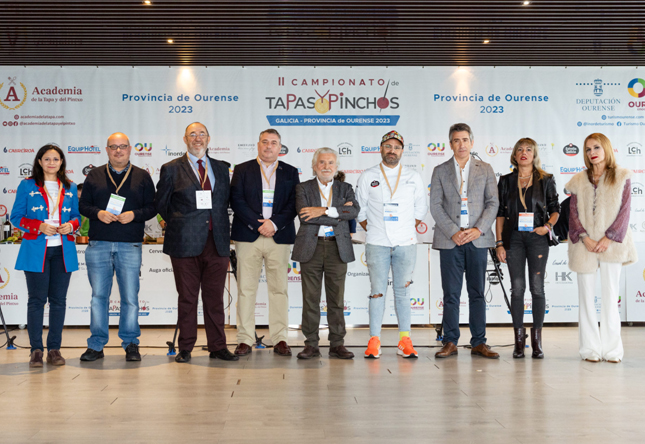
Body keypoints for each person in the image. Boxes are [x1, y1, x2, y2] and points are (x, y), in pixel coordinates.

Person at [156, 122, 238, 363]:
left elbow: (225, 202)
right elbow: (161, 202)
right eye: (193, 134)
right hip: (184, 242)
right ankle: (186, 348)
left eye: (202, 134)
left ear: (209, 138)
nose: (197, 138)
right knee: (188, 298)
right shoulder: (171, 168)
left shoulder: (222, 168)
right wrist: (180, 223)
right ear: (185, 139)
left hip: (218, 242)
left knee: (215, 299)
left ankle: (218, 346)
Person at [79, 132, 156, 362]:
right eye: (114, 147)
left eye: (122, 146)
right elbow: (83, 206)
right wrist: (98, 213)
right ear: (107, 149)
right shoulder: (94, 175)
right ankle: (96, 345)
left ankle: (131, 343)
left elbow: (153, 207)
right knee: (98, 297)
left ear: (130, 149)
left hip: (129, 244)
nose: (118, 151)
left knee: (130, 297)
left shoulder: (142, 176)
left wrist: (134, 214)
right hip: (99, 243)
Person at [355, 131, 428, 359]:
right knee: (377, 292)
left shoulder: (413, 176)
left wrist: (404, 228)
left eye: (396, 147)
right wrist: (375, 228)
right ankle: (374, 340)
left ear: (402, 151)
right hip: (377, 242)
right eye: (388, 146)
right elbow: (361, 209)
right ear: (381, 148)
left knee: (403, 293)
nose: (392, 150)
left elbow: (420, 209)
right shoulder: (368, 176)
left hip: (406, 243)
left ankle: (404, 340)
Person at [430, 123, 500, 359]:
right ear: (450, 144)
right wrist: (453, 231)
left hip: (477, 240)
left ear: (472, 142)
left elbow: (493, 203)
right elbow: (435, 205)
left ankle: (479, 342)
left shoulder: (486, 169)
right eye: (456, 140)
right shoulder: (440, 170)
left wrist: (478, 229)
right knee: (451, 294)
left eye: (465, 140)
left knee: (477, 292)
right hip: (451, 240)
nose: (461, 144)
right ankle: (450, 341)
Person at [567, 133, 637, 363]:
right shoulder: (578, 180)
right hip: (584, 245)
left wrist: (609, 238)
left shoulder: (622, 177)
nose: (592, 152)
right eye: (587, 149)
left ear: (606, 148)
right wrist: (585, 238)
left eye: (596, 147)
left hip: (612, 245)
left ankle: (612, 350)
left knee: (609, 297)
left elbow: (624, 212)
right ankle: (589, 349)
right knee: (585, 298)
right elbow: (573, 214)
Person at [230, 129, 299, 357]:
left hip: (278, 236)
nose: (269, 146)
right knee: (246, 289)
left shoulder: (290, 172)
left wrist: (274, 224)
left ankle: (280, 338)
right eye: (265, 142)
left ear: (280, 147)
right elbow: (236, 200)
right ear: (258, 145)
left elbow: (293, 204)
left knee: (279, 290)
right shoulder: (242, 169)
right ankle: (245, 339)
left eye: (274, 143)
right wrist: (258, 223)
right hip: (248, 235)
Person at [10, 144, 80, 367]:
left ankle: (55, 349)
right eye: (47, 159)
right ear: (39, 161)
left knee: (59, 301)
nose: (52, 163)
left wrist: (71, 225)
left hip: (63, 250)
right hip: (36, 251)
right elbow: (16, 217)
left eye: (56, 159)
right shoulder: (27, 185)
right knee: (36, 301)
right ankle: (36, 350)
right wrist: (38, 226)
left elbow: (77, 216)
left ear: (62, 162)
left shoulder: (70, 187)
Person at [292, 148, 360, 359]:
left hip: (336, 248)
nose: (326, 166)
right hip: (310, 248)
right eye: (322, 162)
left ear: (336, 167)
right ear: (314, 166)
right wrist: (339, 212)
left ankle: (337, 344)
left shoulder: (346, 188)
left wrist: (322, 210)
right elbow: (305, 216)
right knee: (310, 299)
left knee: (336, 299)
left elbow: (354, 212)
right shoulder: (303, 188)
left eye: (331, 163)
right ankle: (311, 344)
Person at [495, 138, 560, 359]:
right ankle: (519, 342)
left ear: (535, 154)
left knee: (537, 287)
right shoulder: (505, 181)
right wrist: (499, 243)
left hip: (537, 238)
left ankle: (537, 342)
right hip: (512, 239)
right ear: (514, 155)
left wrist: (547, 227)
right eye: (520, 150)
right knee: (517, 288)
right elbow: (501, 214)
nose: (524, 153)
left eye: (529, 149)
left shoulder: (546, 179)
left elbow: (555, 209)